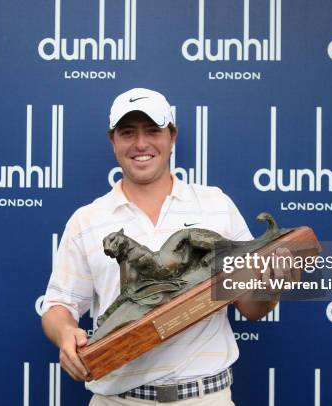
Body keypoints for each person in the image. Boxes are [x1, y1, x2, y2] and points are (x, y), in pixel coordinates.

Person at [41, 88, 298, 405]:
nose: (140, 144)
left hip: (204, 398)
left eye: (152, 131)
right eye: (127, 133)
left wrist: (270, 287)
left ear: (172, 137)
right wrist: (66, 334)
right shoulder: (87, 220)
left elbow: (250, 306)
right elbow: (59, 306)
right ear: (113, 141)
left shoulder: (216, 205)